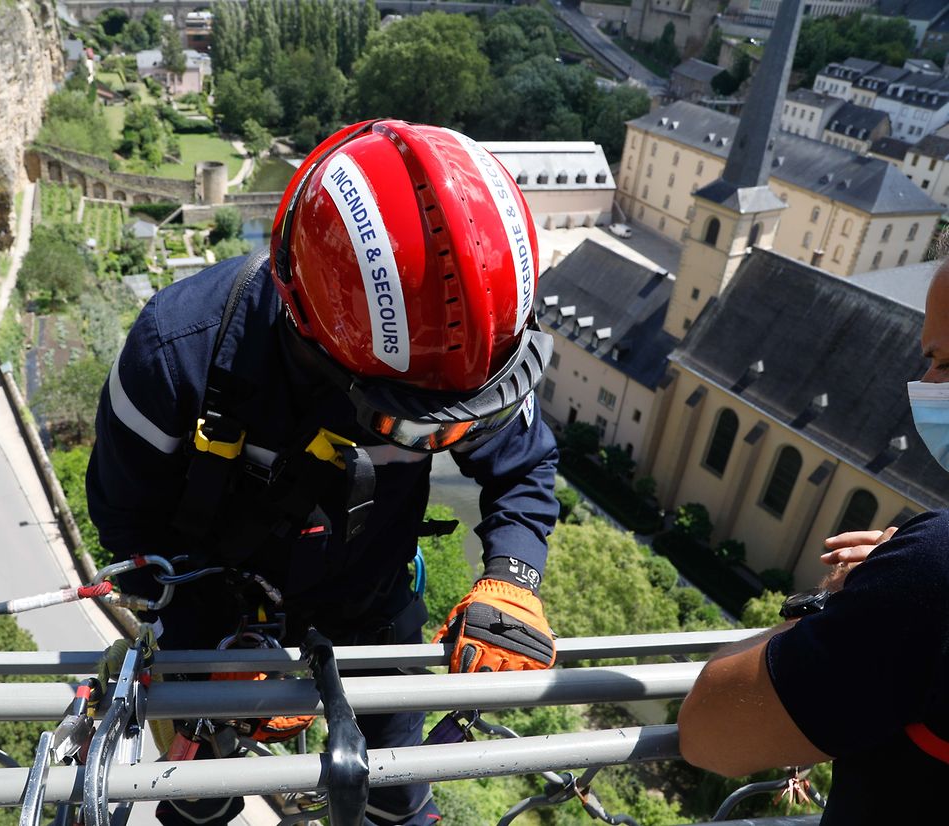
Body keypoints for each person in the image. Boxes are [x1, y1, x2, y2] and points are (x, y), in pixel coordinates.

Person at [86, 119, 561, 825]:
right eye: (413, 423)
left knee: (396, 794)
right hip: (213, 602)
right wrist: (208, 644)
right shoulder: (177, 353)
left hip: (368, 607)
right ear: (310, 337)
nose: (436, 433)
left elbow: (522, 466)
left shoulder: (461, 368)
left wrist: (512, 577)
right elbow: (127, 523)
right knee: (196, 798)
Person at [677, 256, 949, 823]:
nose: (925, 388)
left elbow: (710, 731)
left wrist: (849, 591)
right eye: (929, 359)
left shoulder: (932, 571)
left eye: (947, 363)